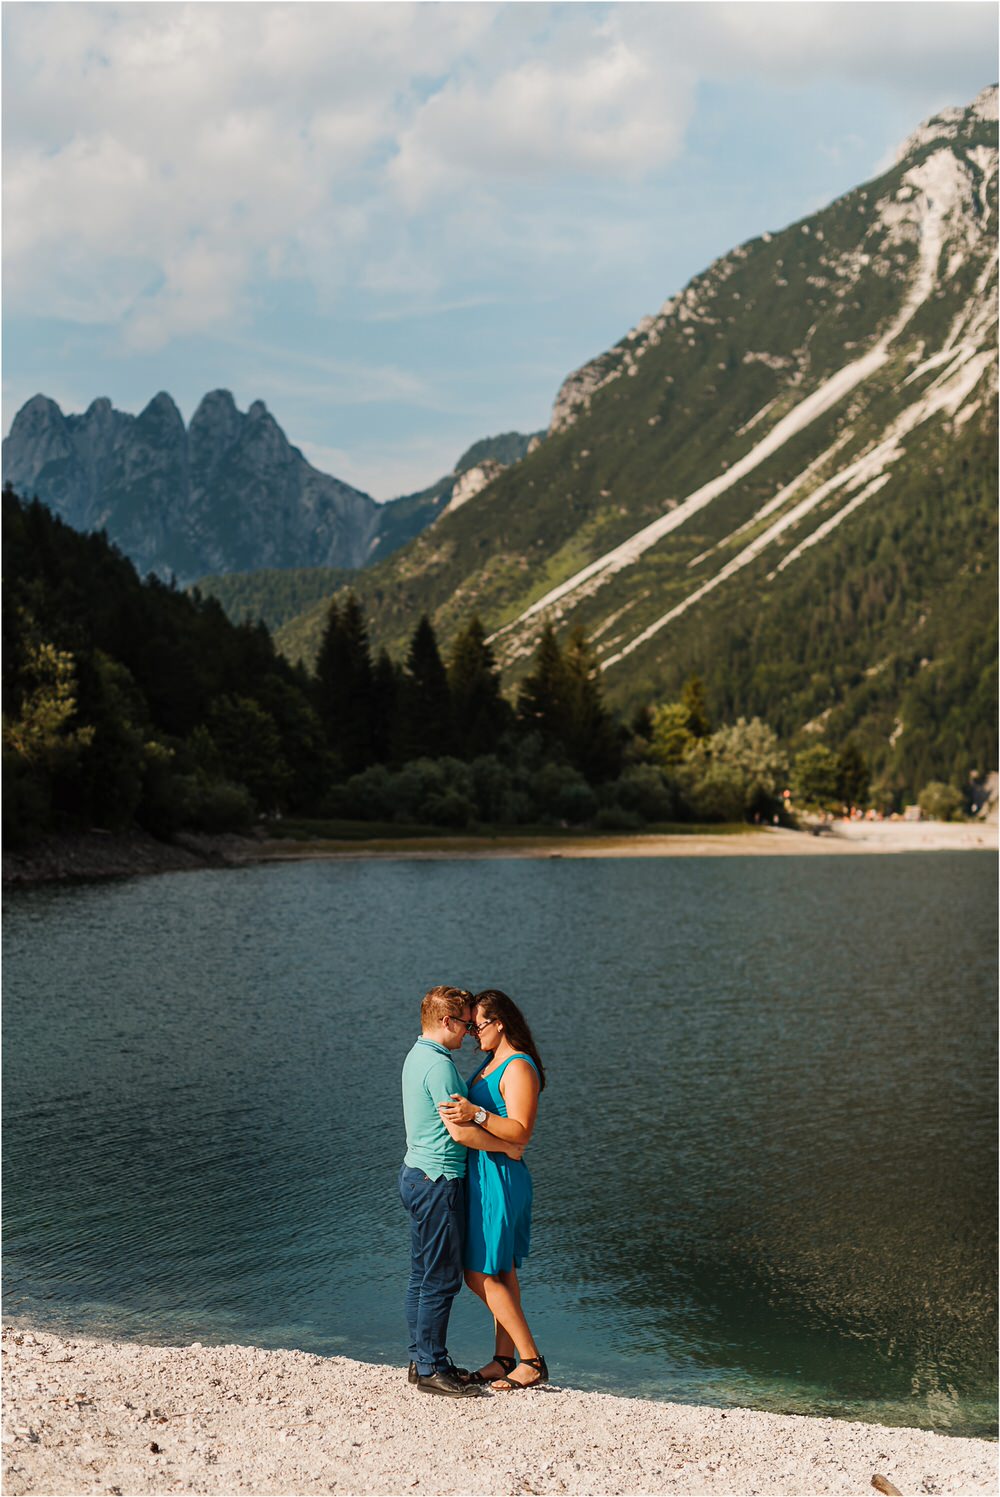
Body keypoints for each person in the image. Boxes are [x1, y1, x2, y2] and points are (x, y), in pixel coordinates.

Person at [399, 984, 524, 1398]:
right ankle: (433, 1368)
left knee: (421, 1275)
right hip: (439, 1180)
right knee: (441, 1279)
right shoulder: (441, 1067)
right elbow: (460, 1132)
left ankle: (422, 1360)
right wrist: (509, 1145)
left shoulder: (417, 1056)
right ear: (447, 1021)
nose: (469, 1035)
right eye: (467, 1026)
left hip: (415, 1174)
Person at [438, 987, 547, 1391]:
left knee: (476, 1271)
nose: (472, 1033)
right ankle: (503, 1359)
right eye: (469, 1026)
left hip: (501, 1177)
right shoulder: (491, 1062)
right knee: (501, 1270)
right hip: (485, 1172)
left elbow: (522, 1132)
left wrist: (475, 1113)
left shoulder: (518, 1067)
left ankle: (531, 1360)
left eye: (478, 1025)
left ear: (500, 1023)